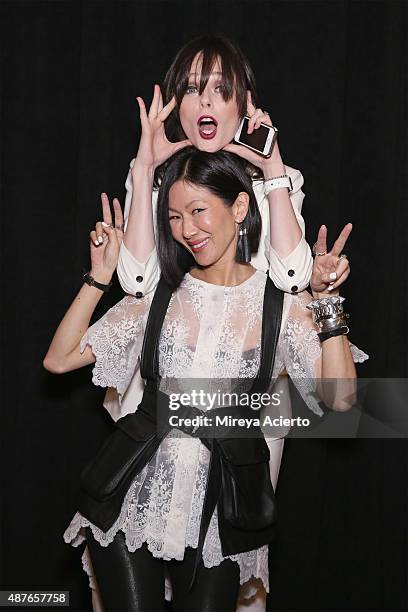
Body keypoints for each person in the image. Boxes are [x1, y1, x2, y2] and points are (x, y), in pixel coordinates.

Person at [44, 147, 365, 612]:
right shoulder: (158, 296)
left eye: (197, 211)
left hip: (223, 511)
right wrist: (98, 277)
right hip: (132, 498)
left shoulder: (279, 304)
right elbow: (59, 360)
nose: (185, 230)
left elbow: (342, 403)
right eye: (173, 216)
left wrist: (326, 302)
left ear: (238, 208)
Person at [115, 34, 316, 301]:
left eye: (221, 89)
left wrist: (272, 170)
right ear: (176, 105)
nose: (205, 101)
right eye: (191, 89)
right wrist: (144, 170)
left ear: (244, 104)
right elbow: (136, 283)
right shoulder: (154, 179)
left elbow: (293, 278)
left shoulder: (282, 179)